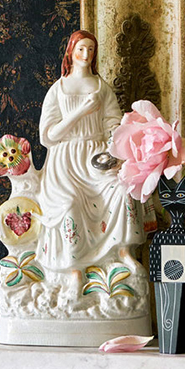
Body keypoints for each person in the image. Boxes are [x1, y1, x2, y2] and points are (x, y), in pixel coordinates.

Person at [37, 30, 144, 274]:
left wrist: (118, 149)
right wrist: (79, 112)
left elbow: (113, 125)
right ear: (71, 52)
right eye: (81, 49)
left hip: (96, 157)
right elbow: (48, 136)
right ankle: (73, 265)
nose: (86, 55)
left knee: (122, 190)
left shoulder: (101, 87)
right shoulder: (58, 89)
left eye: (91, 49)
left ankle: (123, 251)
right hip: (65, 162)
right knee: (70, 203)